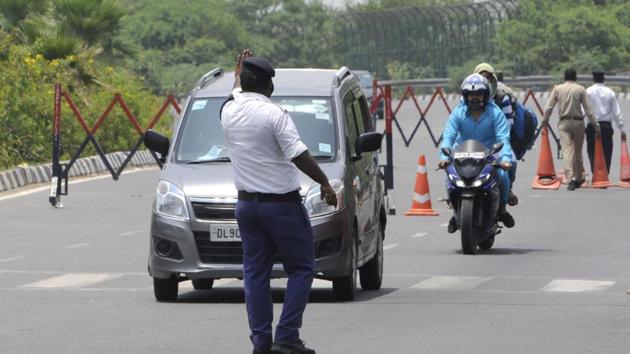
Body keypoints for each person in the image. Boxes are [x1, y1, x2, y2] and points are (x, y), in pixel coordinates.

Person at [221, 49, 337, 354]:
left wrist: (238, 73)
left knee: (255, 274)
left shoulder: (228, 111)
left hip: (246, 206)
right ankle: (286, 336)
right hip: (281, 206)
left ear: (244, 82)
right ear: (267, 86)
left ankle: (261, 342)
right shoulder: (274, 113)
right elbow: (298, 154)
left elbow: (234, 94)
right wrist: (324, 182)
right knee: (301, 268)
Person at [439, 73, 515, 232]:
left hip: (489, 155)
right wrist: (444, 157)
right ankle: (455, 213)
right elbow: (449, 136)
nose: (475, 98)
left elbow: (503, 137)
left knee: (502, 176)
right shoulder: (458, 113)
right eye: (471, 94)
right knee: (449, 178)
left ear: (486, 95)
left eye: (479, 94)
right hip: (462, 155)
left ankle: (502, 209)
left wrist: (506, 158)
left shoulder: (495, 112)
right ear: (466, 96)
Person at [541, 68, 601, 191]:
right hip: (578, 122)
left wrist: (545, 121)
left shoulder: (558, 89)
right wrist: (596, 125)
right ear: (575, 77)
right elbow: (589, 110)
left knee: (567, 151)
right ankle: (579, 178)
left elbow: (548, 107)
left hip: (564, 123)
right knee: (578, 152)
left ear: (564, 77)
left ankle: (571, 179)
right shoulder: (580, 89)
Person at [473, 63, 519, 206]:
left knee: (511, 161)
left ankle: (507, 192)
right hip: (473, 141)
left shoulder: (501, 98)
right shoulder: (468, 97)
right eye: (481, 77)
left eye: (487, 78)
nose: (484, 81)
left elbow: (508, 124)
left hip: (496, 141)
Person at [585, 70, 627, 175]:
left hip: (592, 125)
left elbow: (583, 110)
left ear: (593, 79)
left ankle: (595, 172)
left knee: (591, 149)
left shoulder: (588, 91)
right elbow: (616, 112)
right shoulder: (610, 92)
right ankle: (605, 173)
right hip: (606, 125)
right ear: (603, 79)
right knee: (607, 150)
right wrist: (621, 129)